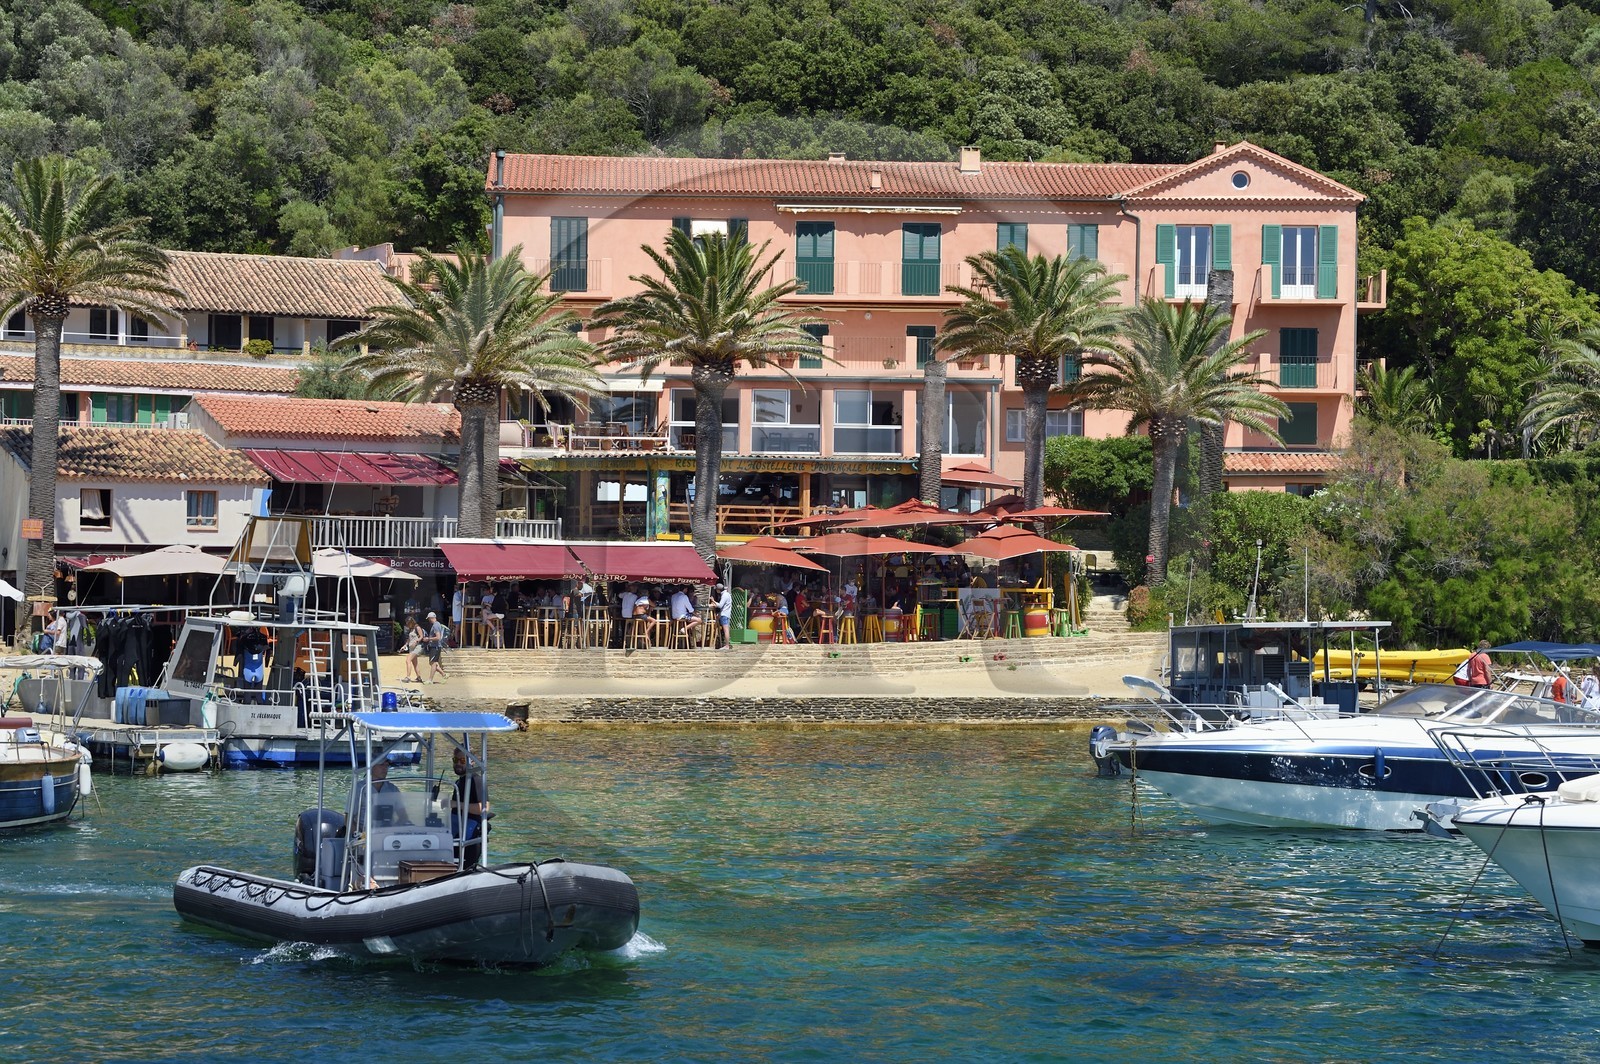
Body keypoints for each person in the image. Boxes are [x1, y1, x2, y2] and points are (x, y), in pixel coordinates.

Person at [448, 747, 489, 867]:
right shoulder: (459, 782)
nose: (458, 764)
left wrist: (456, 804)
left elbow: (484, 807)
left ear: (472, 762)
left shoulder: (476, 780)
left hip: (469, 835)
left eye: (462, 761)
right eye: (455, 760)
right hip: (457, 831)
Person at [424, 611, 449, 682]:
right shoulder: (437, 624)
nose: (429, 620)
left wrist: (428, 639)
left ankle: (430, 679)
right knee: (432, 663)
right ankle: (444, 675)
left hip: (435, 647)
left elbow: (438, 637)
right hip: (435, 646)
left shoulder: (435, 625)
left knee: (433, 663)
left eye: (429, 619)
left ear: (431, 618)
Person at [402, 618, 425, 682]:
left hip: (417, 647)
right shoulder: (411, 629)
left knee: (408, 660)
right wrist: (405, 645)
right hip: (411, 648)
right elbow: (409, 639)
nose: (407, 624)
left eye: (408, 623)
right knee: (415, 664)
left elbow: (421, 636)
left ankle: (408, 677)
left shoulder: (417, 627)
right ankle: (419, 677)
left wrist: (416, 641)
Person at [715, 582, 733, 649]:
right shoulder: (727, 594)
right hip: (727, 614)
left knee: (726, 630)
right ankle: (727, 645)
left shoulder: (724, 595)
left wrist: (713, 601)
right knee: (726, 629)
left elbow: (720, 605)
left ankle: (727, 645)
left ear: (718, 590)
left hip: (724, 614)